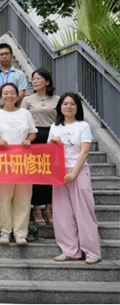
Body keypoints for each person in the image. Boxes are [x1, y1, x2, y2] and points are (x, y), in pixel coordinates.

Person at [48, 93, 101, 264]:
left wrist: (74, 173)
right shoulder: (54, 127)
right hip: (59, 173)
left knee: (84, 212)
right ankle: (70, 251)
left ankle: (92, 252)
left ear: (77, 107)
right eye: (65, 104)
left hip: (78, 171)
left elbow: (84, 152)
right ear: (60, 107)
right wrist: (53, 141)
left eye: (72, 104)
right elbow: (48, 151)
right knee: (62, 214)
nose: (68, 107)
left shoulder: (83, 126)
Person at [0, 83, 38, 246]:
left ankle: (20, 233)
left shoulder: (25, 113)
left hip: (24, 161)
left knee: (23, 198)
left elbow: (33, 132)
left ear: (18, 96)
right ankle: (5, 231)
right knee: (3, 198)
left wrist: (29, 140)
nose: (9, 96)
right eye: (6, 93)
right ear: (0, 96)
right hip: (3, 162)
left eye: (12, 93)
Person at [22, 68, 59, 225]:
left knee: (51, 174)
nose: (35, 81)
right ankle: (36, 208)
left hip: (52, 138)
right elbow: (23, 121)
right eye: (33, 79)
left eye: (38, 78)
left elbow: (61, 120)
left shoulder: (57, 99)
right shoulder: (27, 100)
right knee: (36, 174)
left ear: (47, 81)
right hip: (34, 138)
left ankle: (49, 208)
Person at [0, 43, 27, 110]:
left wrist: (9, 106)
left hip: (15, 110)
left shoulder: (20, 74)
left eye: (7, 54)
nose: (4, 56)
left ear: (12, 55)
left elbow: (21, 94)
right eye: (1, 54)